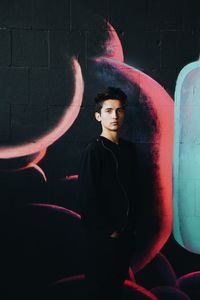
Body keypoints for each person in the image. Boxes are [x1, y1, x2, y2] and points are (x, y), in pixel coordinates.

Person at [78, 87, 138, 300]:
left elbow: (134, 190)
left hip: (126, 237)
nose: (114, 116)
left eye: (119, 110)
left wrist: (130, 229)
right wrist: (109, 231)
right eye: (109, 110)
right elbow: (88, 196)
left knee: (115, 290)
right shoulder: (93, 150)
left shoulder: (130, 150)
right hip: (103, 240)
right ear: (98, 116)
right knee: (100, 291)